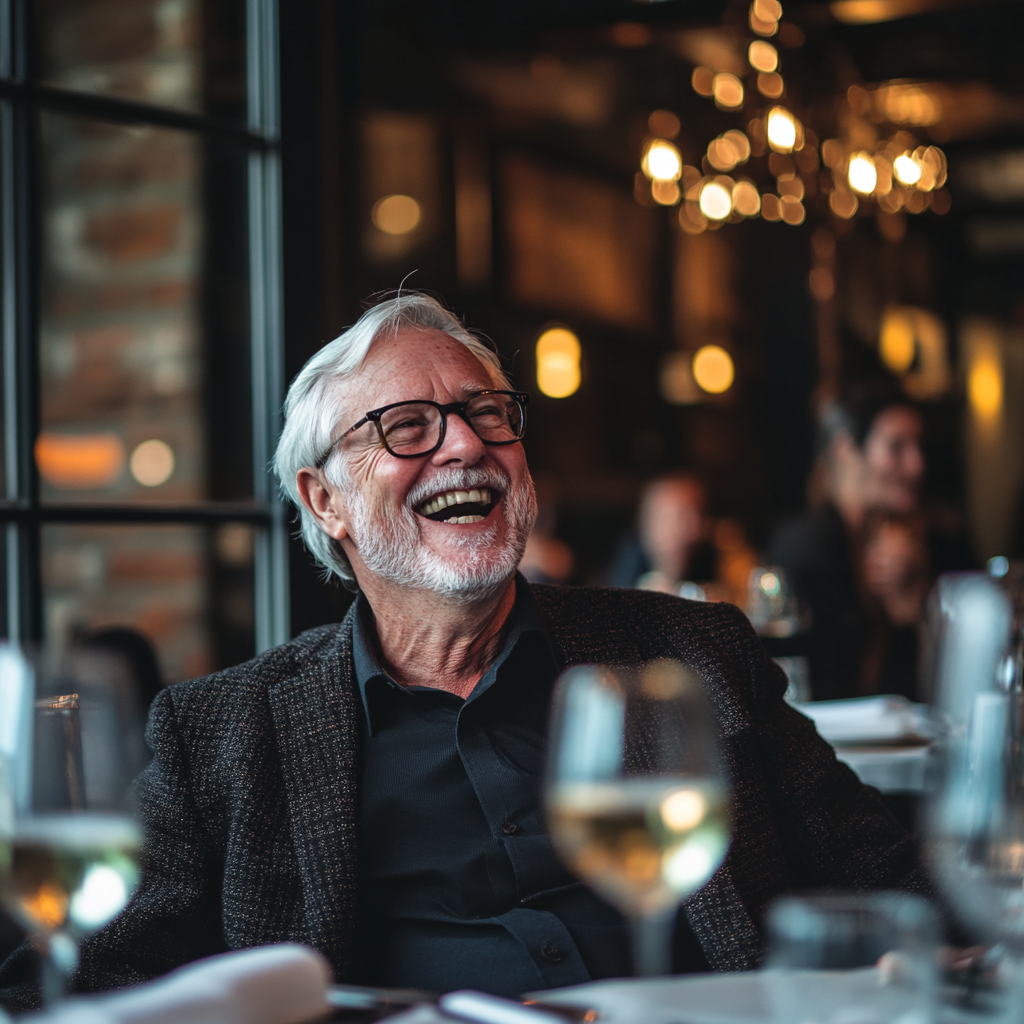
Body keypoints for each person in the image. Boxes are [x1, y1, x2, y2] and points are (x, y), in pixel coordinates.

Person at [1, 295, 925, 1008]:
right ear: (325, 500)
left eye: (488, 414)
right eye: (407, 427)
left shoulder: (691, 650)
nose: (466, 445)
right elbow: (85, 980)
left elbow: (895, 886)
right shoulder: (221, 734)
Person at [766, 381, 966, 701]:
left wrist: (911, 606)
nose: (917, 466)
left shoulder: (915, 545)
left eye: (919, 447)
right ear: (846, 449)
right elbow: (826, 686)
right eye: (896, 447)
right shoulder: (806, 548)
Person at [607, 473, 716, 595]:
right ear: (645, 525)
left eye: (697, 518)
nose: (694, 531)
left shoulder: (724, 573)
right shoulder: (616, 591)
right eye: (679, 518)